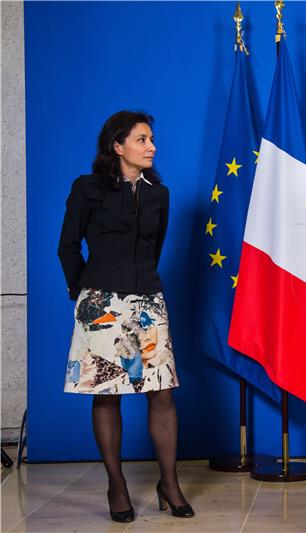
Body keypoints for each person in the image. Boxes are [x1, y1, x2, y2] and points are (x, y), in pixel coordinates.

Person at [58, 111, 194, 522]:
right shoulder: (87, 189)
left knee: (161, 392)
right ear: (118, 146)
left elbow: (155, 247)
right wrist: (86, 295)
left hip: (147, 304)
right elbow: (67, 247)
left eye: (151, 138)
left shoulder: (159, 193)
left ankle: (168, 483)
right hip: (101, 305)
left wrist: (141, 294)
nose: (151, 146)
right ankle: (116, 486)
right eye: (141, 139)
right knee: (108, 393)